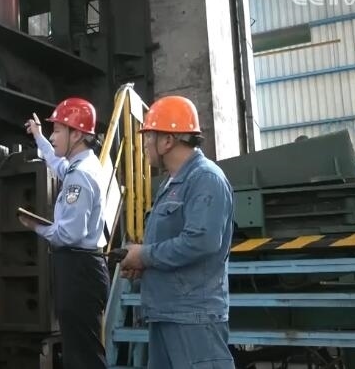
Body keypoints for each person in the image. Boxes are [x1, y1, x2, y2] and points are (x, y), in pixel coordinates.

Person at [119, 95, 236, 369]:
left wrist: (144, 256)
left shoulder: (205, 178)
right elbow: (171, 242)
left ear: (167, 141)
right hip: (166, 311)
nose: (145, 143)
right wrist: (142, 265)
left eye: (149, 136)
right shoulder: (171, 184)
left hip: (193, 317)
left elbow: (202, 241)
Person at [20, 97, 109, 369]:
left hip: (79, 270)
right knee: (83, 350)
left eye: (57, 130)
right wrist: (38, 136)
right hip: (84, 269)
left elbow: (69, 235)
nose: (52, 136)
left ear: (77, 134)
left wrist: (35, 226)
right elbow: (56, 163)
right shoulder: (82, 165)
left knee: (82, 357)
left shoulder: (79, 176)